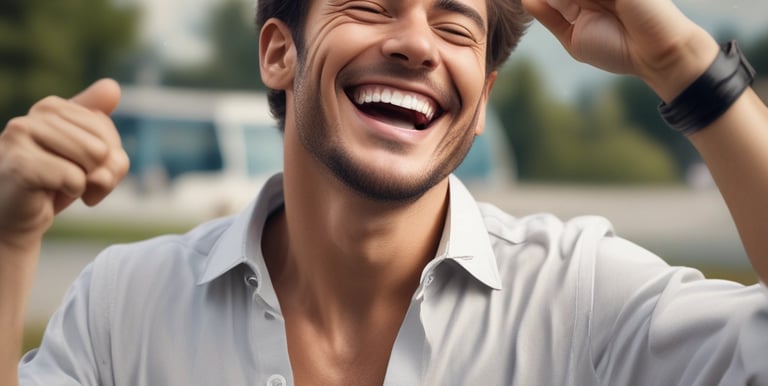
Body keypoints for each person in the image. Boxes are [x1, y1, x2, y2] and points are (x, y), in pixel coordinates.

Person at [2, 0, 767, 384]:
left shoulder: (581, 296)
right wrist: (7, 242)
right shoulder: (123, 305)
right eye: (371, 4)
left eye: (455, 26)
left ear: (482, 100)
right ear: (279, 53)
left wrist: (683, 64)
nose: (415, 44)